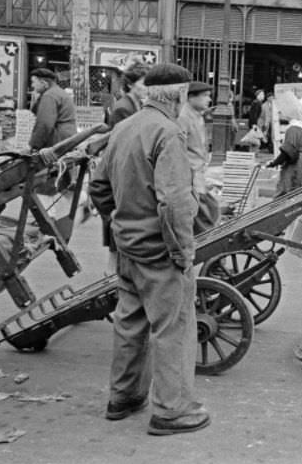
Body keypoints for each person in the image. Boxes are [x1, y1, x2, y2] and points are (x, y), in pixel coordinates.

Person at [88, 63, 209, 436]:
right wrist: (183, 252)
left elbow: (98, 187)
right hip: (159, 250)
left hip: (128, 247)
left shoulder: (124, 127)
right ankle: (173, 411)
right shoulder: (167, 132)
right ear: (177, 97)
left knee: (129, 324)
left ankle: (122, 397)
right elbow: (174, 204)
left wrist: (120, 223)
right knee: (173, 330)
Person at [102, 61, 151, 274]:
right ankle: (109, 281)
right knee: (118, 231)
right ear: (131, 85)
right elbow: (123, 145)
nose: (147, 88)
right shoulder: (124, 108)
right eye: (143, 83)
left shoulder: (135, 105)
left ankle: (114, 277)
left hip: (128, 172)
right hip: (122, 174)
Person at [178, 81, 220, 234]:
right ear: (192, 98)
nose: (209, 100)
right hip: (190, 176)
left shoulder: (198, 116)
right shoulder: (184, 118)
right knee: (204, 221)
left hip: (198, 174)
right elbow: (179, 150)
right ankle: (211, 253)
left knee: (213, 209)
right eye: (205, 96)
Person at [28, 68, 77, 152]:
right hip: (67, 138)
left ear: (43, 83)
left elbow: (44, 124)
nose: (32, 86)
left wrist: (35, 145)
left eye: (33, 82)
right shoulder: (58, 92)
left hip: (57, 140)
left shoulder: (49, 96)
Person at [266, 119, 302, 197]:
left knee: (286, 189)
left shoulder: (292, 129)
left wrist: (273, 163)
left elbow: (288, 149)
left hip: (295, 163)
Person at [107, 62, 150, 127]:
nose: (147, 88)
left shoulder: (140, 104)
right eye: (144, 84)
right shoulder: (122, 108)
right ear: (130, 84)